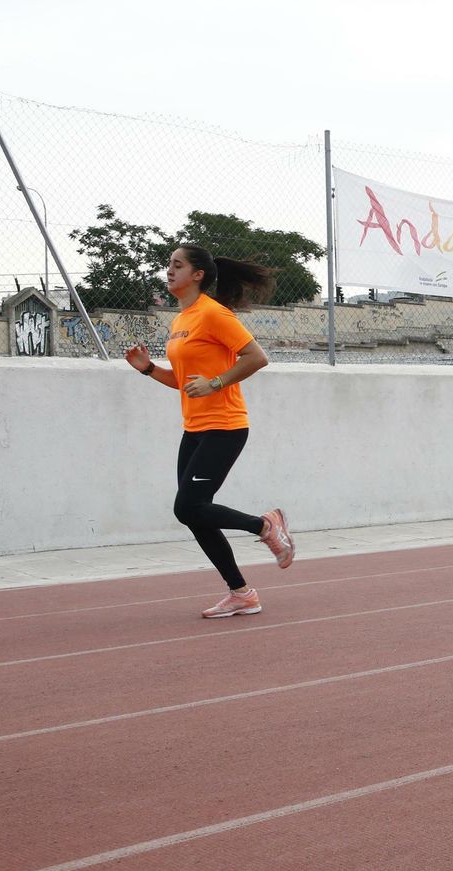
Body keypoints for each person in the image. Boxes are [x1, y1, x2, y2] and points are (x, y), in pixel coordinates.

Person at [125, 244, 294, 618]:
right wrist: (149, 369)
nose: (169, 271)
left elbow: (257, 357)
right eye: (168, 265)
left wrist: (217, 383)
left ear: (197, 275)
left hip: (225, 426)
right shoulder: (180, 321)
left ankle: (265, 526)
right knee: (193, 513)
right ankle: (241, 593)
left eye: (177, 265)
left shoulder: (213, 314)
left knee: (188, 506)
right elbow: (187, 382)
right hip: (195, 429)